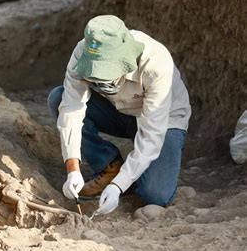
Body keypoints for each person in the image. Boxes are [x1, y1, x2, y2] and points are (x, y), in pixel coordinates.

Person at [48, 15, 191, 215]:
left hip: (164, 120)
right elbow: (71, 110)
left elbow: (152, 136)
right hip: (119, 111)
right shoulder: (83, 52)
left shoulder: (156, 63)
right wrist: (72, 169)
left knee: (155, 195)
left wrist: (118, 186)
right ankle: (109, 166)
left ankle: (124, 177)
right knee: (58, 98)